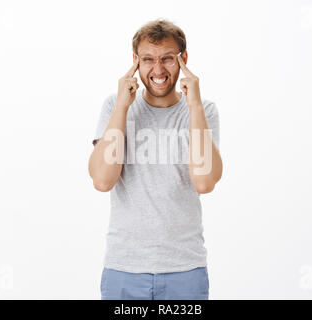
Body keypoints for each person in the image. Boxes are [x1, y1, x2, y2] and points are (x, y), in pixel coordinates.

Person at [88, 19, 223, 300]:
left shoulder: (203, 110)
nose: (158, 69)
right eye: (148, 59)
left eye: (168, 59)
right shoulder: (115, 107)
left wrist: (194, 105)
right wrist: (123, 107)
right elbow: (102, 180)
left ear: (183, 59)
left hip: (186, 270)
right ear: (135, 62)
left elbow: (205, 182)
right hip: (124, 268)